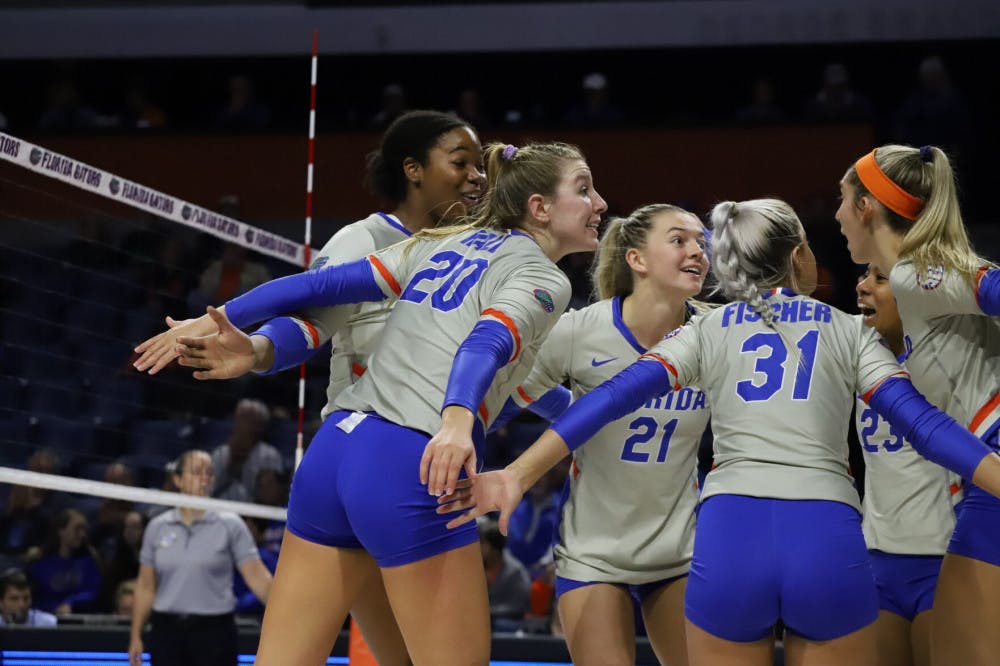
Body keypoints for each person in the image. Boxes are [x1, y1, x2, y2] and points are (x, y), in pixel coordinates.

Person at [441, 197, 1000, 666]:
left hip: (729, 535)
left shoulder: (707, 330)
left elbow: (608, 400)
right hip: (825, 531)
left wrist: (516, 472)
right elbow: (926, 427)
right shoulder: (848, 331)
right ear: (800, 255)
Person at [165, 140, 607, 665]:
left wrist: (217, 317)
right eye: (584, 189)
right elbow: (485, 342)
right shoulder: (544, 277)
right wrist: (457, 422)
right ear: (539, 208)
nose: (599, 202)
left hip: (333, 453)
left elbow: (319, 283)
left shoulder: (440, 243)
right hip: (411, 462)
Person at [134, 108, 488, 665]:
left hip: (375, 462)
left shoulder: (478, 248)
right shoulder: (367, 238)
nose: (477, 177)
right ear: (414, 169)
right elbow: (310, 319)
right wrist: (254, 350)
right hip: (391, 454)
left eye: (481, 165)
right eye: (461, 162)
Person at [502, 203, 711, 666]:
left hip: (681, 551)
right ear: (636, 260)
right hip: (593, 554)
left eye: (701, 241)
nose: (697, 250)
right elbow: (513, 395)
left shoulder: (715, 331)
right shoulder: (581, 330)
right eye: (679, 240)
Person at [836, 144, 1000, 666]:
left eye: (843, 201)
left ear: (866, 207)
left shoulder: (911, 274)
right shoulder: (912, 283)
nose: (836, 217)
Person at [854, 263, 962, 666]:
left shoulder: (954, 358)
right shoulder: (857, 353)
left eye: (879, 279)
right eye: (864, 276)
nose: (862, 287)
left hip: (947, 559)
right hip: (875, 558)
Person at [128, 450, 272, 666]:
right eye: (197, 472)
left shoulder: (230, 523)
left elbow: (258, 578)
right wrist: (135, 635)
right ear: (178, 479)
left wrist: (289, 617)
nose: (204, 478)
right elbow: (146, 586)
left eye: (209, 473)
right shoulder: (157, 526)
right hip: (166, 631)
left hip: (214, 631)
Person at [29, 507, 102, 616]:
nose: (82, 535)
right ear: (61, 530)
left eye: (84, 529)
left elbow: (93, 591)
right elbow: (36, 595)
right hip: (46, 619)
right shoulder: (41, 563)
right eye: (77, 529)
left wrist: (70, 602)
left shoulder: (89, 561)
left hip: (79, 618)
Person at [210, 399, 283, 503]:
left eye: (248, 419)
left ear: (260, 426)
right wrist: (234, 456)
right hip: (217, 507)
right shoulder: (221, 452)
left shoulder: (270, 455)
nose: (242, 424)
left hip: (251, 512)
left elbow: (269, 497)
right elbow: (210, 488)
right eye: (240, 418)